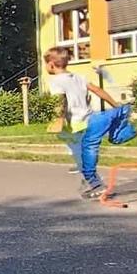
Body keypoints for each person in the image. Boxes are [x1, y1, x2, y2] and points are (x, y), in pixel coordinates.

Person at [44, 46, 124, 196]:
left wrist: (58, 120)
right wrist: (115, 105)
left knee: (79, 155)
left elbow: (60, 101)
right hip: (90, 120)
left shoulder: (55, 81)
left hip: (75, 124)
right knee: (83, 152)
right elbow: (98, 90)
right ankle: (87, 179)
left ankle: (95, 185)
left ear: (51, 64)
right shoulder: (80, 77)